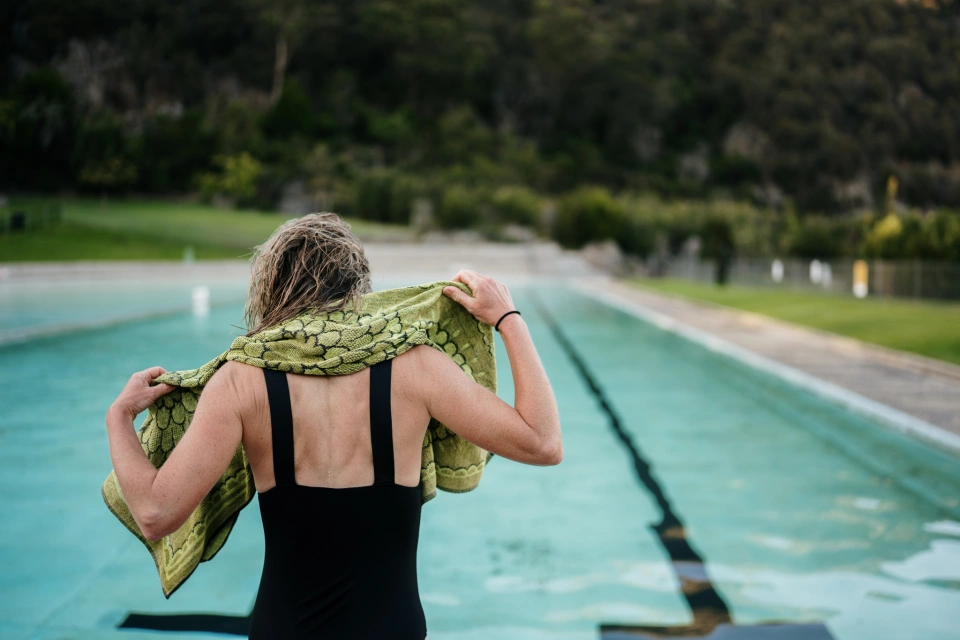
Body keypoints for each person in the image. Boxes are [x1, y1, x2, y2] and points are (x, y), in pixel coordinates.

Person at [105, 213, 562, 639]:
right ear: (358, 287)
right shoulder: (419, 368)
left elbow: (155, 515)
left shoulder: (240, 382)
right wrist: (508, 319)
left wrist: (119, 419)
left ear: (271, 287)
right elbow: (543, 442)